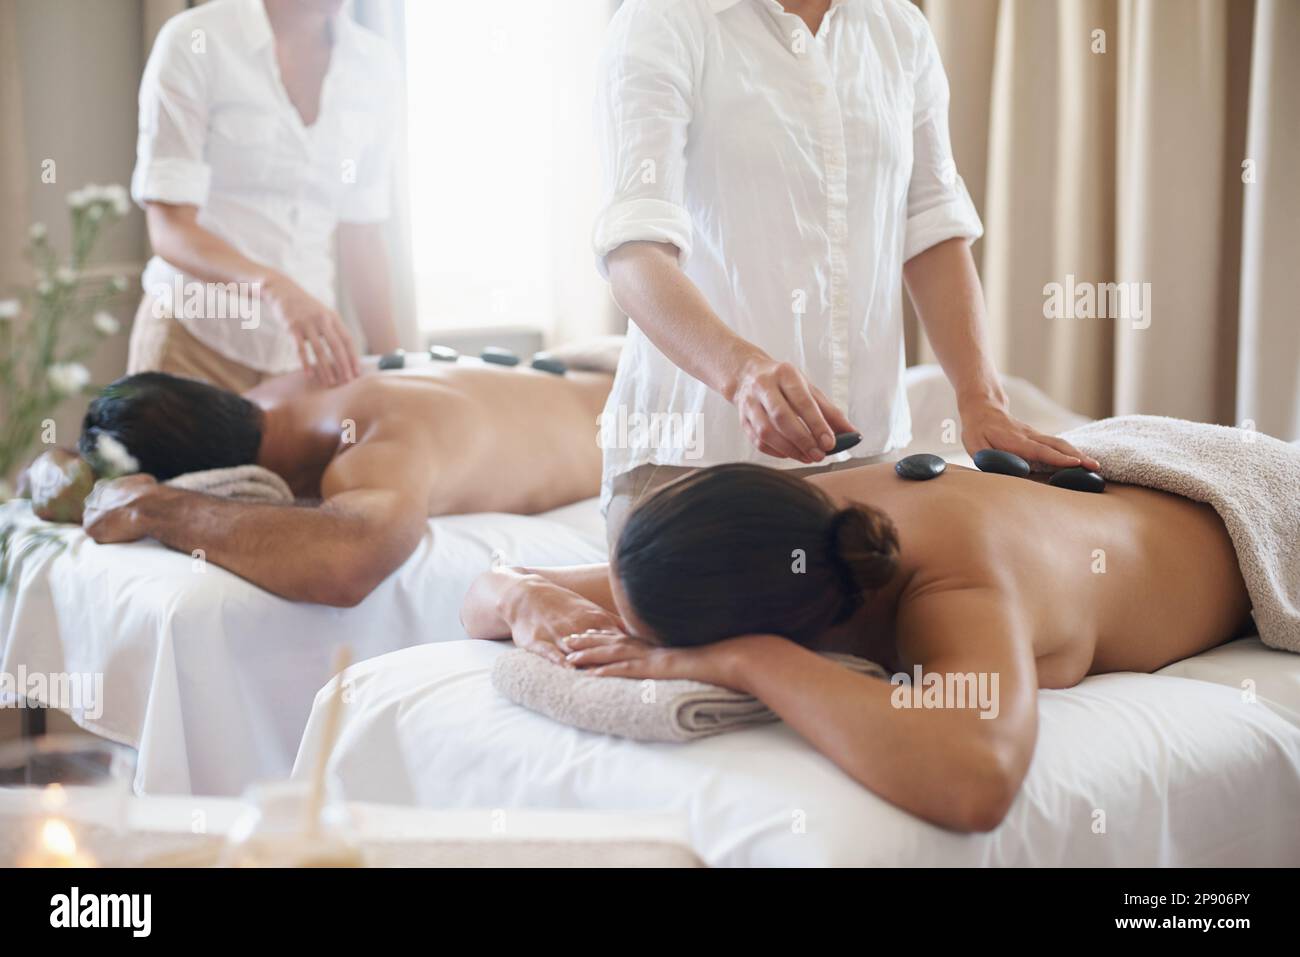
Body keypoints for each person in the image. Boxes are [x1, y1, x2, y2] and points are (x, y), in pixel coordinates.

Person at [460, 458, 1254, 831]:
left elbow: (978, 780)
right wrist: (527, 600)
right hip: (1098, 487)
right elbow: (489, 585)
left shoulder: (957, 584)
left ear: (780, 624)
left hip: (1231, 503)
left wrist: (747, 664)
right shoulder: (792, 528)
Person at [592, 0, 1098, 542]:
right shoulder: (665, 20)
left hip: (866, 462)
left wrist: (982, 399)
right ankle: (519, 590)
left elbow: (931, 229)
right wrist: (741, 374)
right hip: (689, 465)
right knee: (773, 620)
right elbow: (634, 252)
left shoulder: (899, 29)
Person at [70, 359, 612, 607]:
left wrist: (159, 508)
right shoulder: (272, 396)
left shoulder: (370, 450)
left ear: (218, 481)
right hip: (581, 372)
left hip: (660, 414)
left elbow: (350, 561)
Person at [128, 0, 401, 391]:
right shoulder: (195, 40)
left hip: (307, 361)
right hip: (193, 342)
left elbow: (363, 234)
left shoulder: (376, 65)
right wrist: (274, 288)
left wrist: (397, 370)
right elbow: (170, 227)